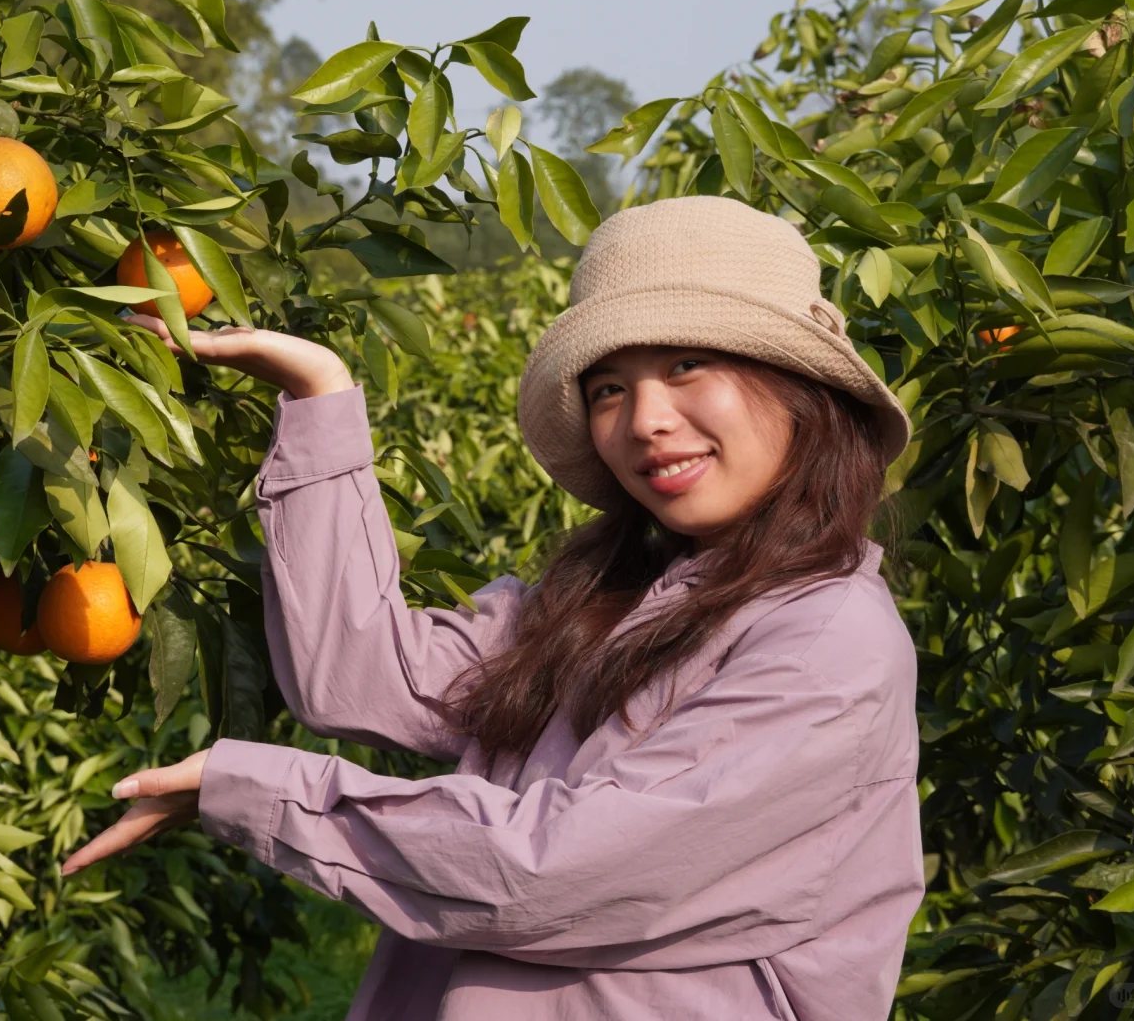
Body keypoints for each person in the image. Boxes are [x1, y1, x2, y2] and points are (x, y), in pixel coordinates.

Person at [62, 195, 925, 1021]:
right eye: (608, 388)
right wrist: (318, 399)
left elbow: (554, 872)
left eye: (685, 365)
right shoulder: (605, 599)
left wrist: (257, 790)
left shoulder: (824, 638)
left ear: (800, 391)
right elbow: (358, 679)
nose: (646, 419)